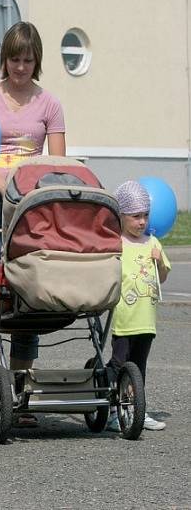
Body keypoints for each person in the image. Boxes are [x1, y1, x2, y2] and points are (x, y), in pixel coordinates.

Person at [0, 22, 66, 426]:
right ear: (4, 58)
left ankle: (21, 389)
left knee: (29, 291)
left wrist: (28, 192)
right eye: (14, 59)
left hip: (32, 203)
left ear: (37, 61)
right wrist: (2, 184)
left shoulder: (49, 104)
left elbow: (58, 163)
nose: (21, 67)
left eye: (28, 60)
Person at [105, 180, 170, 432]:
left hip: (146, 318)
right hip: (124, 317)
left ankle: (137, 408)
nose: (141, 222)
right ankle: (112, 408)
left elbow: (162, 276)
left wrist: (160, 263)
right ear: (121, 216)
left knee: (139, 365)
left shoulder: (152, 242)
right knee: (120, 363)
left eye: (145, 216)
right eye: (135, 217)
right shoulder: (116, 244)